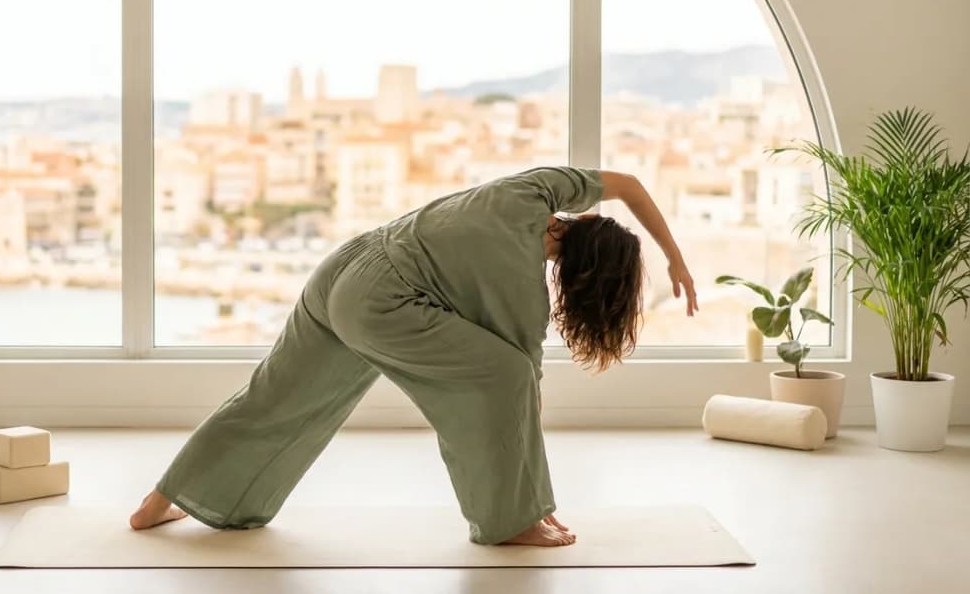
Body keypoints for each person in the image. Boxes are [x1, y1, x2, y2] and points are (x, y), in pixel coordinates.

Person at [129, 166, 698, 547]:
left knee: (275, 396)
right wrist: (534, 500)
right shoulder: (521, 290)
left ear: (586, 219)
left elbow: (628, 184)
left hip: (341, 269)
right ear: (577, 275)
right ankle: (513, 521)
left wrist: (676, 258)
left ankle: (164, 499)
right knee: (505, 377)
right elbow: (522, 384)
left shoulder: (535, 190)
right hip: (383, 303)